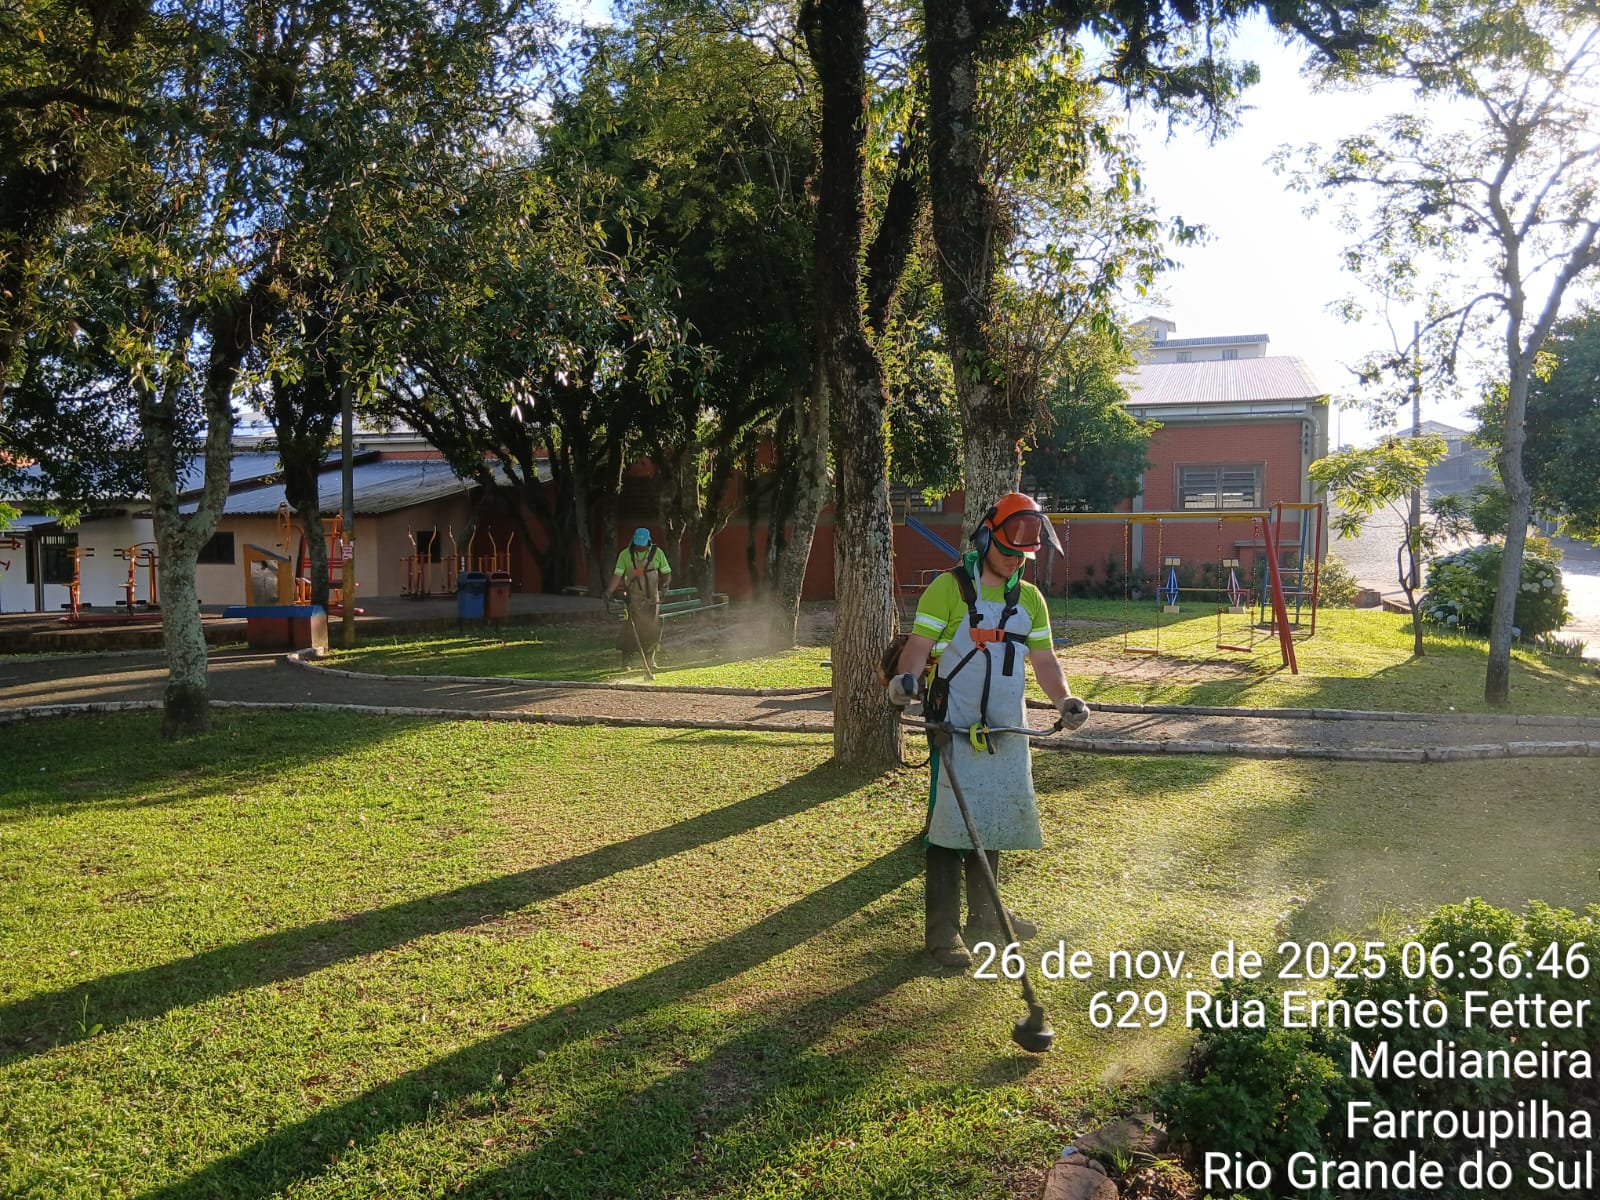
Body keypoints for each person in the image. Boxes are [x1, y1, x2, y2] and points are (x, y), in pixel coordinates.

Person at [887, 492, 1090, 969]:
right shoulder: (949, 589)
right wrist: (905, 680)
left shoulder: (1030, 600)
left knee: (991, 815)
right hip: (952, 725)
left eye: (1024, 555)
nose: (1016, 561)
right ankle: (943, 932)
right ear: (985, 539)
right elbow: (918, 646)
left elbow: (1044, 660)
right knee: (949, 825)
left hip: (1005, 725)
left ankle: (985, 915)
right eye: (1007, 551)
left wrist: (1065, 700)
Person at [605, 528, 672, 669]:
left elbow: (667, 573)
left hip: (652, 599)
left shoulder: (657, 553)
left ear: (648, 541)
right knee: (629, 629)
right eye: (638, 544)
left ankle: (650, 660)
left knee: (652, 629)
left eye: (643, 544)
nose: (640, 547)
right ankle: (626, 661)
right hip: (632, 599)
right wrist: (608, 592)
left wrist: (665, 584)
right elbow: (617, 575)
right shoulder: (625, 555)